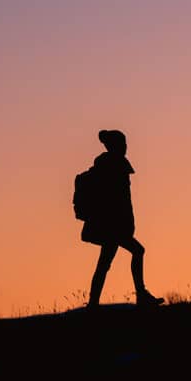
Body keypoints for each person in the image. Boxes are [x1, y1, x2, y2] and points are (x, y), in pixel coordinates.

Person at [79, 130, 162, 307]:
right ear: (116, 145)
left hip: (112, 225)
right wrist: (125, 223)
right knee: (136, 252)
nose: (125, 147)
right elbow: (118, 199)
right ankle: (140, 294)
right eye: (123, 144)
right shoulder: (114, 165)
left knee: (105, 263)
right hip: (113, 225)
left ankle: (94, 302)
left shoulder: (108, 164)